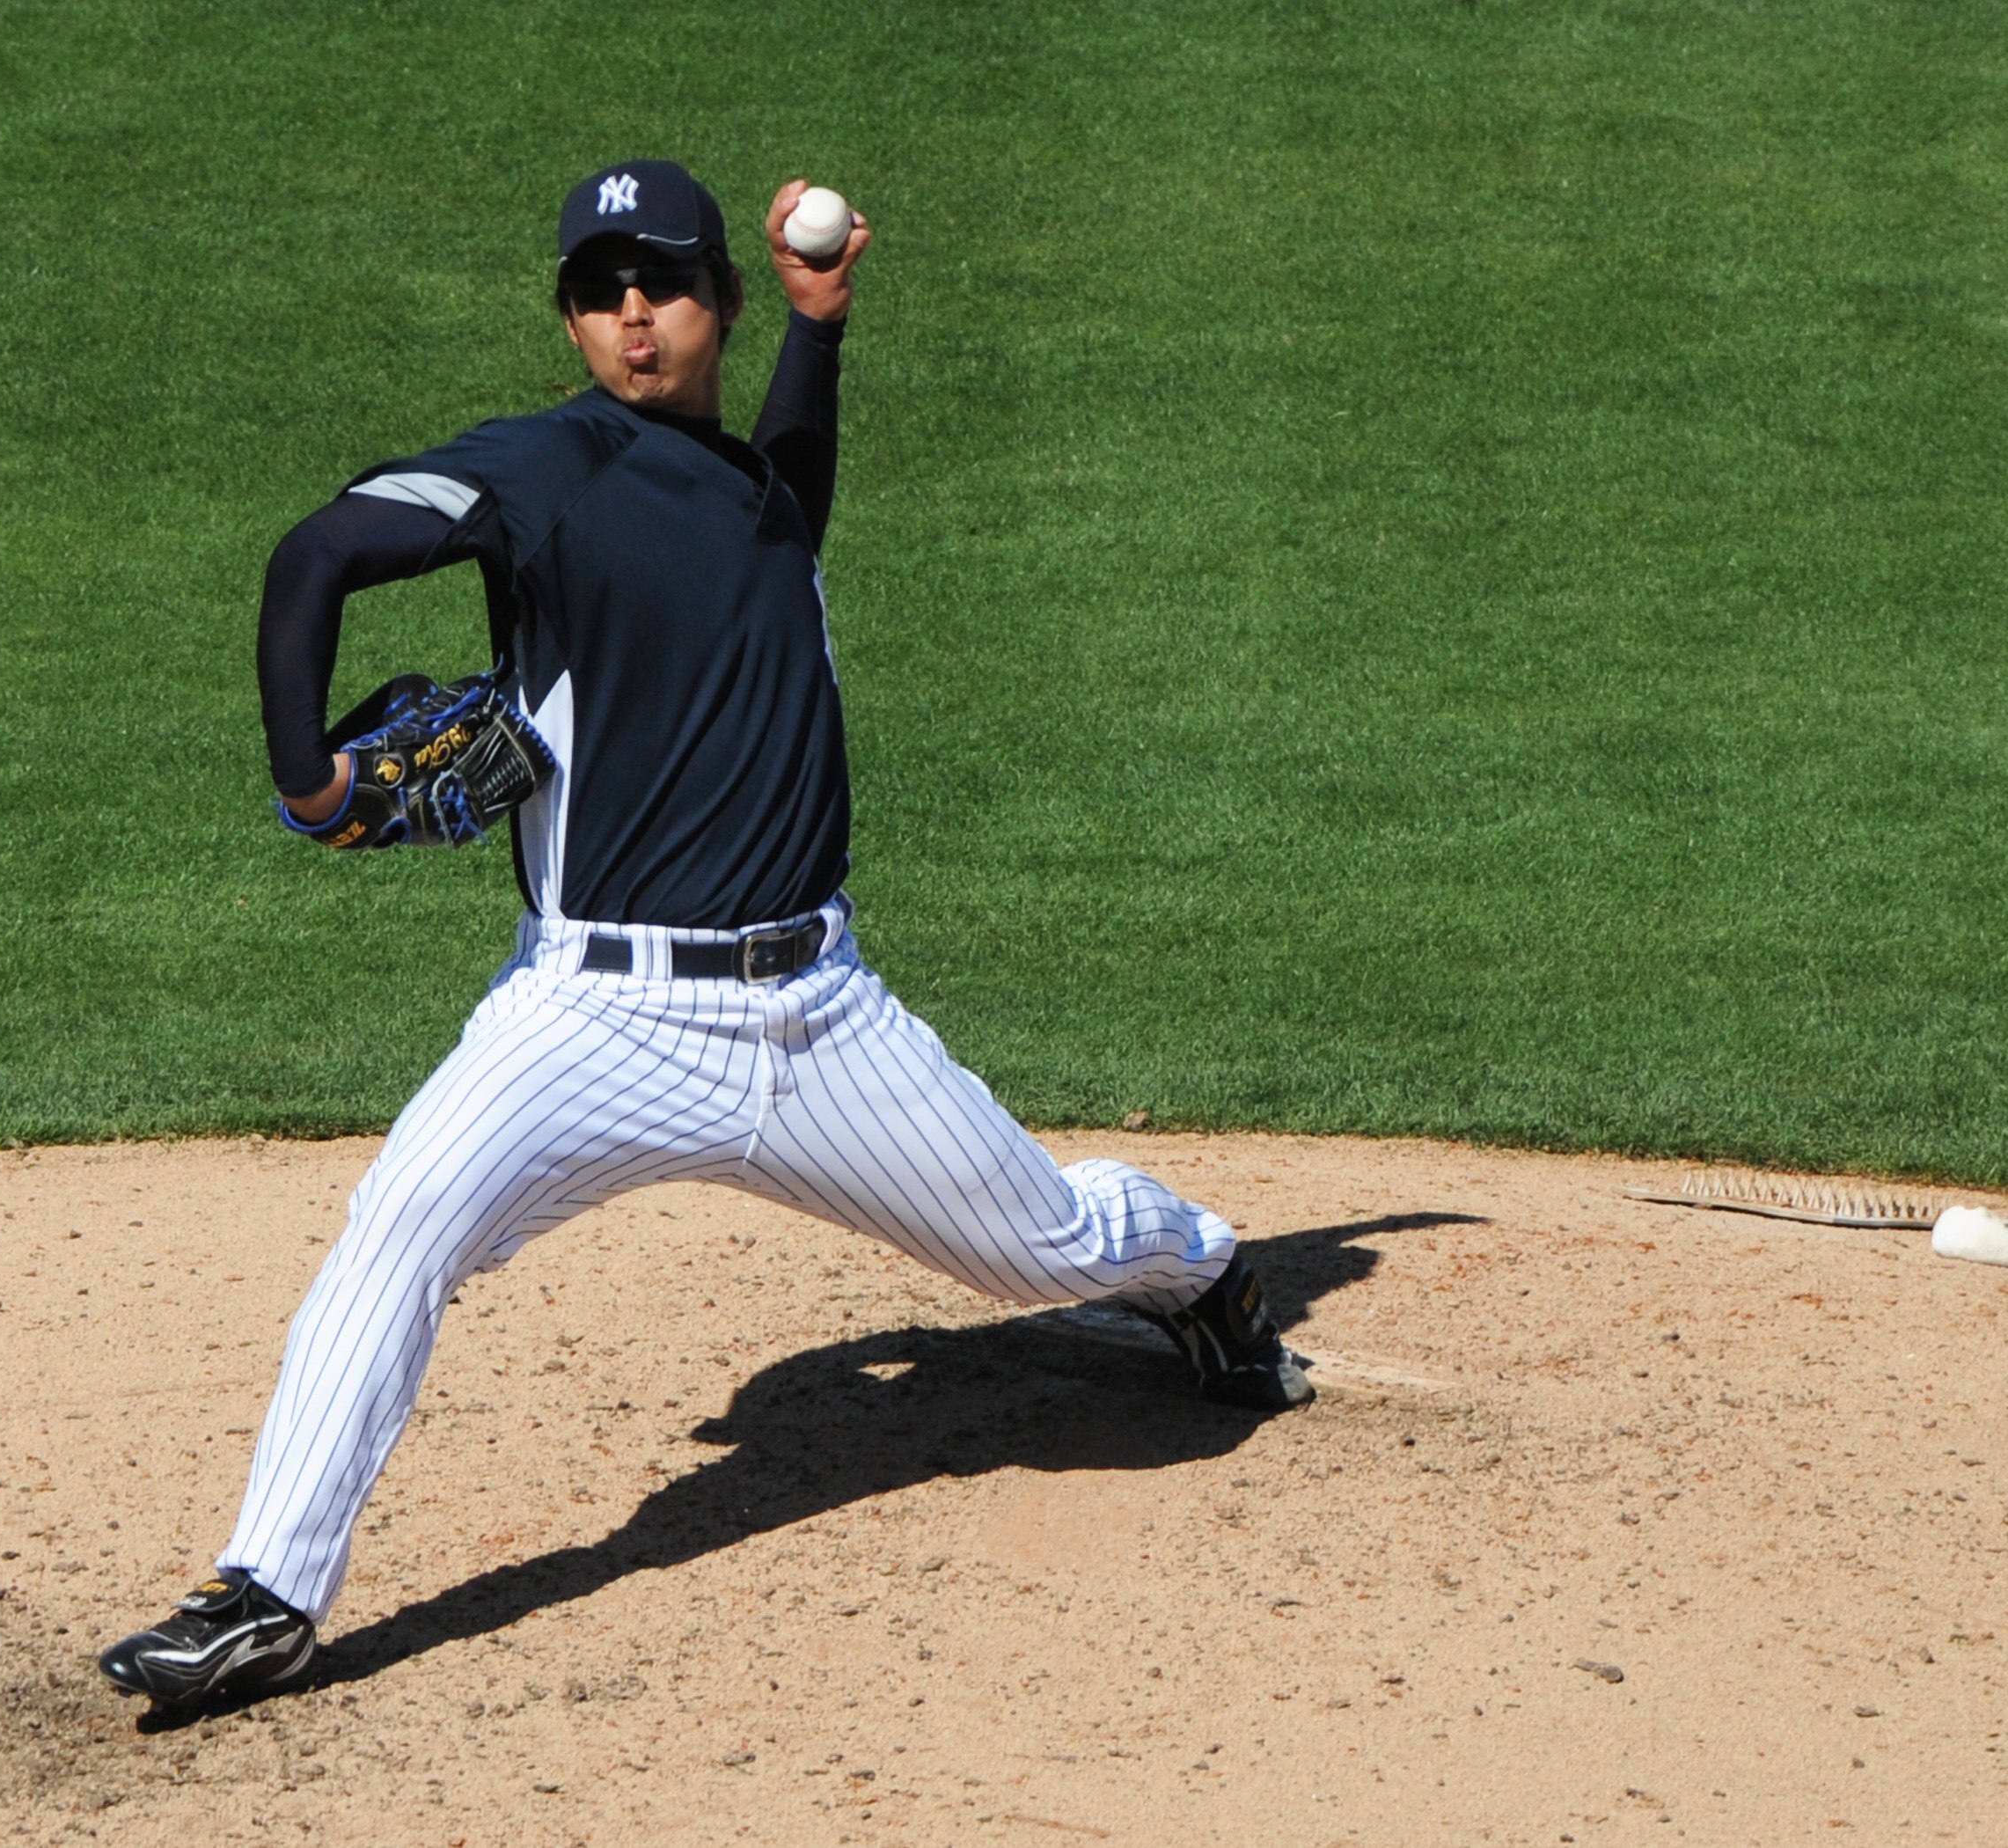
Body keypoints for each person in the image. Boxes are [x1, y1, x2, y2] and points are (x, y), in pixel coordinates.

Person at [97, 160, 1311, 1709]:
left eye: (661, 286)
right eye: (600, 293)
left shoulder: (755, 492)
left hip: (824, 1020)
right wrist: (307, 774)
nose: (632, 318)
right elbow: (313, 557)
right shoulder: (543, 467)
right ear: (573, 322)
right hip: (590, 1020)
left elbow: (787, 499)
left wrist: (823, 329)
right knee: (398, 1232)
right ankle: (264, 1591)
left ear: (718, 302)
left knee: (1047, 1247)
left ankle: (1203, 1277)